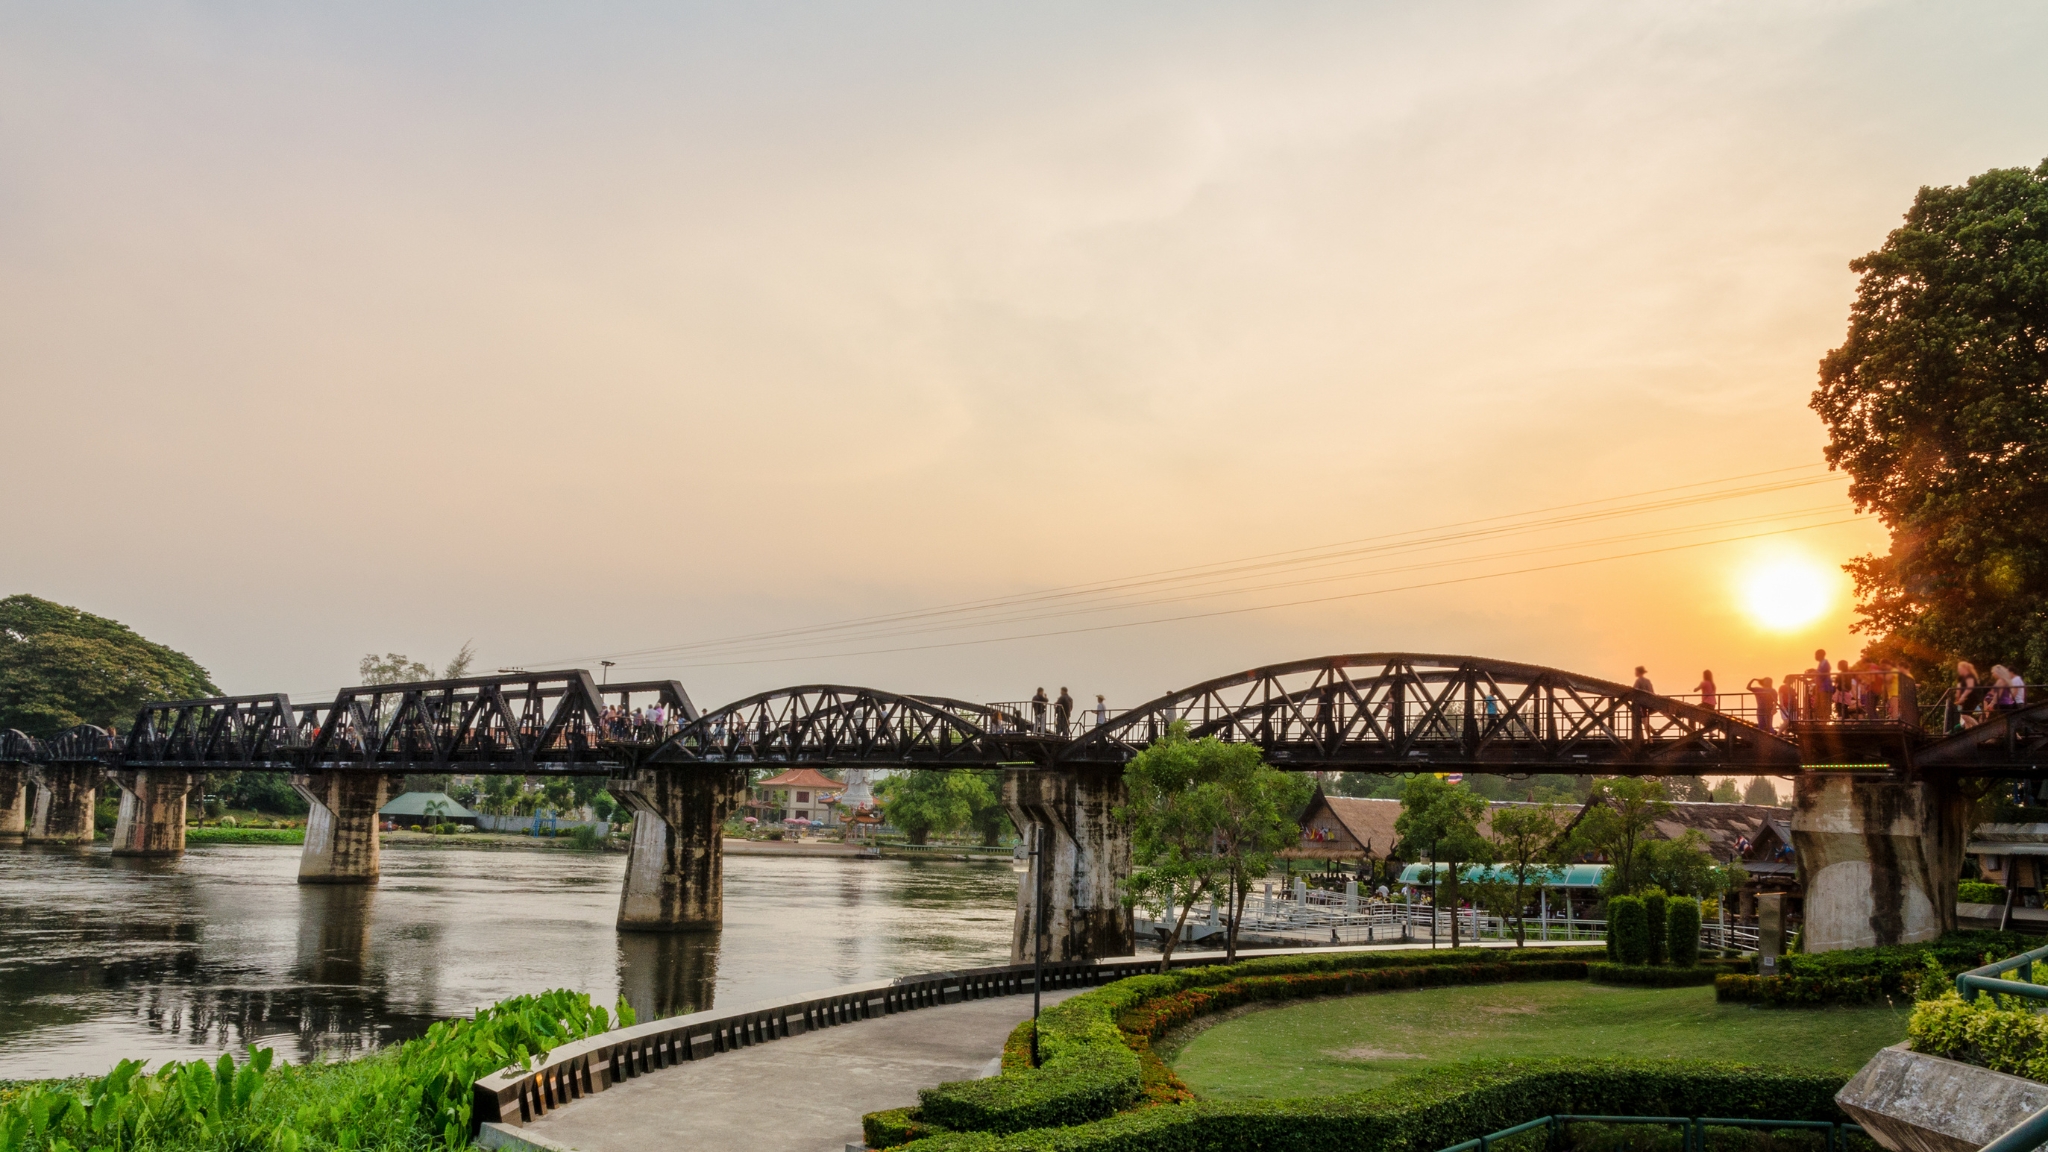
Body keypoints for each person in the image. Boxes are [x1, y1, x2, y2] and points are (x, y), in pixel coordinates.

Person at [1812, 650, 1834, 719]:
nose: (1815, 656)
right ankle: (1822, 721)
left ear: (1821, 655)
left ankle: (1824, 722)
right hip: (1821, 688)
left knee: (1824, 706)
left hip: (1825, 687)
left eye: (1816, 654)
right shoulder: (1821, 663)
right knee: (1820, 706)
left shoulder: (1825, 663)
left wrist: (1814, 673)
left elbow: (1821, 674)